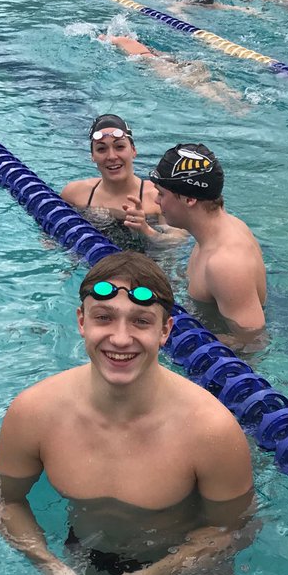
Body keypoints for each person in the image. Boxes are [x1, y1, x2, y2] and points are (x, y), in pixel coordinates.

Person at [0, 251, 256, 575]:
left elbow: (229, 530)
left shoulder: (210, 431)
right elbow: (3, 501)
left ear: (165, 331)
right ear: (81, 322)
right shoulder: (35, 413)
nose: (121, 338)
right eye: (104, 318)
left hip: (186, 570)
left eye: (141, 321)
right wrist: (55, 572)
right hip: (86, 553)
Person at [149, 144, 267, 349]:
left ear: (189, 199)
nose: (156, 200)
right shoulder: (217, 229)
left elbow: (253, 342)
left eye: (161, 194)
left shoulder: (226, 264)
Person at [59, 114, 179, 251]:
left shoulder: (159, 196)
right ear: (92, 156)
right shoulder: (74, 194)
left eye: (119, 147)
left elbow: (176, 242)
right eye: (101, 149)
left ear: (133, 151)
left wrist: (145, 229)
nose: (111, 156)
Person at [98, 35, 244, 108]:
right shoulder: (159, 55)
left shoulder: (138, 51)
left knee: (199, 86)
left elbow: (106, 39)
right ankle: (235, 97)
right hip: (185, 65)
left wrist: (104, 37)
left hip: (175, 71)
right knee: (207, 82)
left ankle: (232, 107)